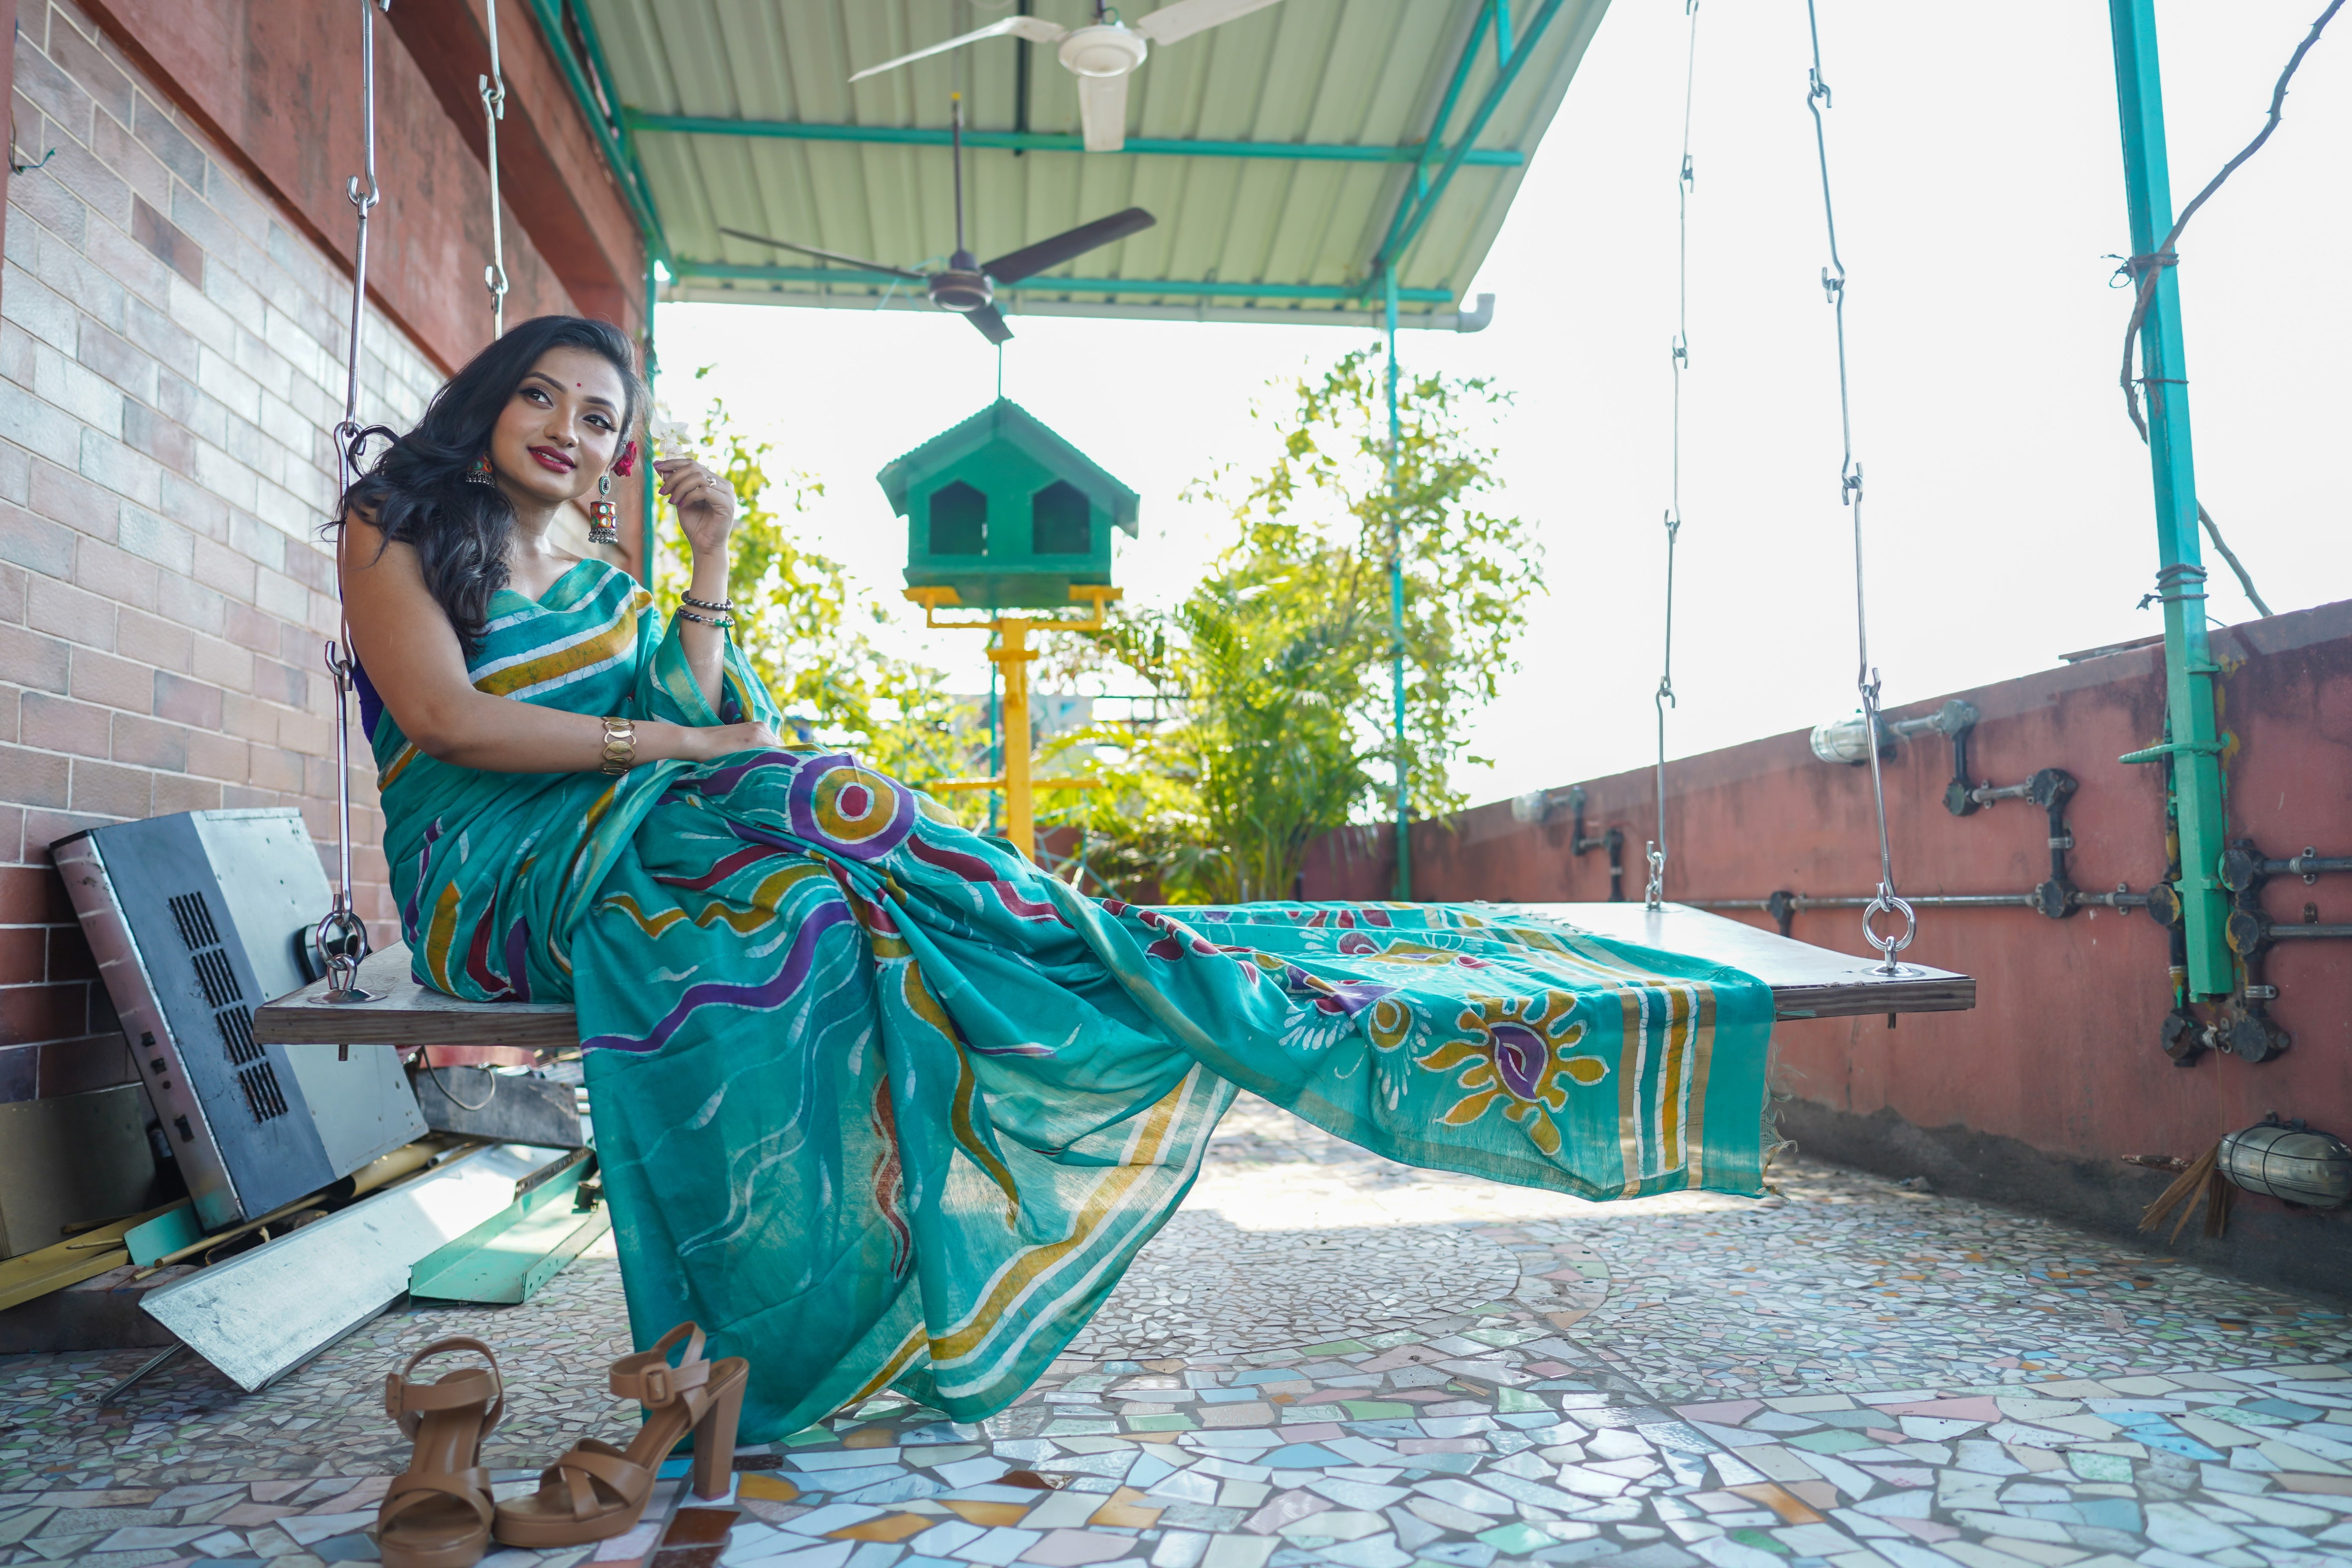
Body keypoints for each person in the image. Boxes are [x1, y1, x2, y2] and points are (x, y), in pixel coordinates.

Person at [335, 315, 1776, 1444]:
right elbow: (460, 723)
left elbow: (706, 702)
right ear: (492, 401)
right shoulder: (398, 529)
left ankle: (767, 1338)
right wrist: (683, 743)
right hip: (496, 885)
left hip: (643, 847)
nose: (570, 433)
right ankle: (1105, 949)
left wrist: (710, 561)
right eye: (546, 399)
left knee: (822, 920)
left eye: (603, 421)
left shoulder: (606, 568)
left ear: (616, 459)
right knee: (804, 789)